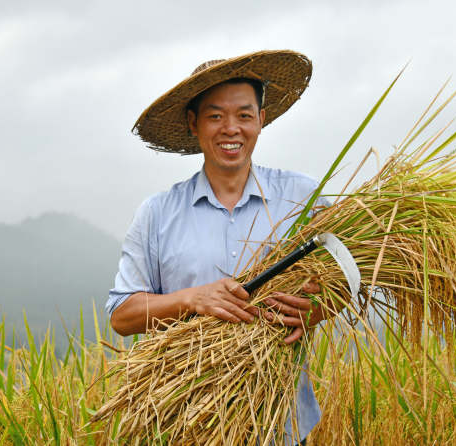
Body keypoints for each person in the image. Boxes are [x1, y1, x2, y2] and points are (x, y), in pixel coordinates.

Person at [106, 50, 326, 445]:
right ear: (194, 123)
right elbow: (122, 316)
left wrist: (320, 309)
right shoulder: (157, 213)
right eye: (215, 116)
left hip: (284, 425)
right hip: (187, 425)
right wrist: (193, 299)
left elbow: (349, 276)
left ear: (261, 119)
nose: (231, 129)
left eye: (244, 115)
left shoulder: (304, 198)